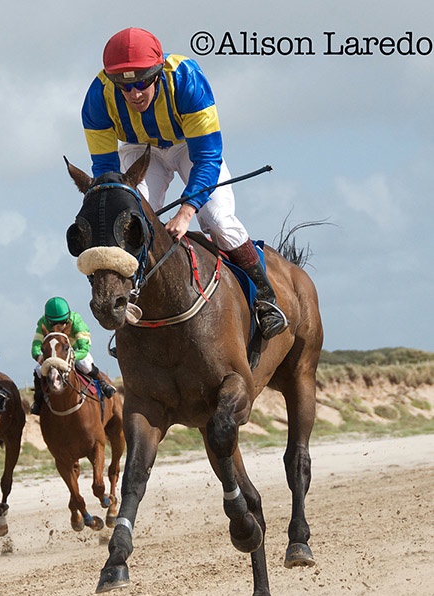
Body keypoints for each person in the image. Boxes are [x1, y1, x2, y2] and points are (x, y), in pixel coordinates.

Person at [81, 27, 288, 340]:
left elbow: (207, 158)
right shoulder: (97, 97)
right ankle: (130, 307)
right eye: (124, 87)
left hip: (189, 147)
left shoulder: (187, 81)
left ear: (157, 73)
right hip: (140, 150)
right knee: (127, 222)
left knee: (217, 220)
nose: (135, 94)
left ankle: (264, 298)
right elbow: (107, 172)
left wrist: (187, 211)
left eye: (141, 83)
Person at [29, 297, 115, 416]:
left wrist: (70, 357)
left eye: (62, 321)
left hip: (74, 353)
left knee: (85, 364)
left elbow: (84, 348)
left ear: (68, 317)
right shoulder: (42, 322)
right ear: (48, 320)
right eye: (54, 323)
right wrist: (41, 359)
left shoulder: (76, 320)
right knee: (38, 371)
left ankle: (103, 383)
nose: (58, 325)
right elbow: (36, 347)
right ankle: (38, 400)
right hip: (53, 356)